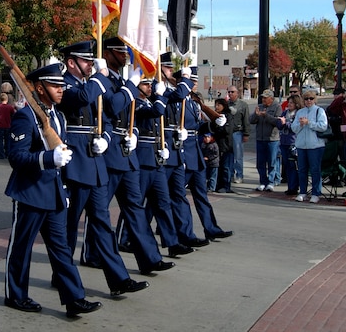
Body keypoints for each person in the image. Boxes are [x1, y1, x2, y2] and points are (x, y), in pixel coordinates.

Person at [4, 62, 102, 318]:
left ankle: (74, 298)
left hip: (55, 193)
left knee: (61, 250)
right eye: (55, 85)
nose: (61, 89)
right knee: (21, 248)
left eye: (62, 85)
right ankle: (16, 295)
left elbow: (60, 153)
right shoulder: (25, 116)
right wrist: (48, 159)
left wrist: (65, 189)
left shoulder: (56, 116)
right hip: (31, 192)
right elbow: (16, 157)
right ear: (39, 88)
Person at [57, 40, 149, 296]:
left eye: (91, 61)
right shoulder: (65, 84)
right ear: (71, 62)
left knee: (102, 224)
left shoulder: (92, 84)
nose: (90, 65)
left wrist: (106, 138)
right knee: (69, 224)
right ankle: (61, 274)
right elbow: (81, 99)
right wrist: (100, 76)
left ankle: (119, 279)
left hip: (96, 164)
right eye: (86, 61)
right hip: (75, 163)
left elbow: (107, 119)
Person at [82, 37, 175, 276]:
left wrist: (133, 132)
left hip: (127, 154)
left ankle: (150, 258)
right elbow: (112, 108)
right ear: (109, 54)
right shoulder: (103, 82)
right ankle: (91, 253)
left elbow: (129, 115)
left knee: (135, 208)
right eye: (121, 52)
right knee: (100, 210)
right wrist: (130, 86)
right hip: (109, 153)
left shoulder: (122, 82)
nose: (126, 56)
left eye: (126, 52)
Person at [116, 75, 194, 258]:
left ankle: (172, 242)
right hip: (142, 160)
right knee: (135, 203)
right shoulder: (136, 104)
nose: (149, 87)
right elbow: (157, 112)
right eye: (145, 84)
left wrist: (163, 146)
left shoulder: (150, 103)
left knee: (163, 203)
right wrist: (161, 96)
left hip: (156, 158)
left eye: (150, 84)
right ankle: (124, 238)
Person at [168, 66, 233, 242]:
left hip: (194, 153)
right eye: (192, 80)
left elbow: (198, 126)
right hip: (181, 152)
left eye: (195, 81)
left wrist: (214, 124)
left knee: (201, 195)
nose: (194, 84)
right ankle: (181, 233)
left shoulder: (193, 102)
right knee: (172, 197)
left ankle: (211, 228)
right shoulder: (176, 100)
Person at [291, 89, 328, 203]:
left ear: (314, 100)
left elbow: (323, 126)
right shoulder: (300, 112)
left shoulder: (319, 111)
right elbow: (294, 128)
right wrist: (301, 124)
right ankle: (302, 192)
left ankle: (316, 193)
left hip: (315, 145)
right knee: (302, 170)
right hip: (301, 145)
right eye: (306, 99)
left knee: (315, 170)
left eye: (311, 99)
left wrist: (309, 123)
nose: (308, 101)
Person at [250, 89, 282, 192]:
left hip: (272, 139)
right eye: (262, 97)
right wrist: (256, 114)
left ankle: (271, 182)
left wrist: (266, 116)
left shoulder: (277, 107)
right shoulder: (260, 106)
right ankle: (263, 181)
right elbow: (251, 120)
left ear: (271, 99)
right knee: (260, 162)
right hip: (260, 138)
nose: (263, 99)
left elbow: (278, 122)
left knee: (272, 161)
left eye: (265, 98)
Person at [277, 94, 303, 195]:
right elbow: (279, 125)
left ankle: (294, 187)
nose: (289, 104)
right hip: (283, 141)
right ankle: (290, 186)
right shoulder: (285, 112)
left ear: (296, 103)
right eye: (289, 102)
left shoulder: (298, 114)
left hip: (293, 142)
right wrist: (281, 122)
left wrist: (285, 123)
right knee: (287, 165)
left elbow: (294, 128)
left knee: (293, 166)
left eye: (291, 102)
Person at [226, 85, 251, 184]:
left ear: (237, 93)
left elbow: (246, 120)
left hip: (238, 132)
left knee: (238, 156)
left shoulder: (243, 105)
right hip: (228, 133)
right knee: (229, 156)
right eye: (229, 92)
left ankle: (239, 175)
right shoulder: (226, 104)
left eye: (232, 92)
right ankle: (230, 175)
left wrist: (246, 134)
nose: (230, 94)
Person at [0, 92, 16, 158]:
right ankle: (7, 153)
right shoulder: (10, 107)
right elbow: (13, 115)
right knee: (7, 140)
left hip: (0, 125)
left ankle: (1, 154)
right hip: (8, 125)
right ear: (7, 99)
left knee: (0, 140)